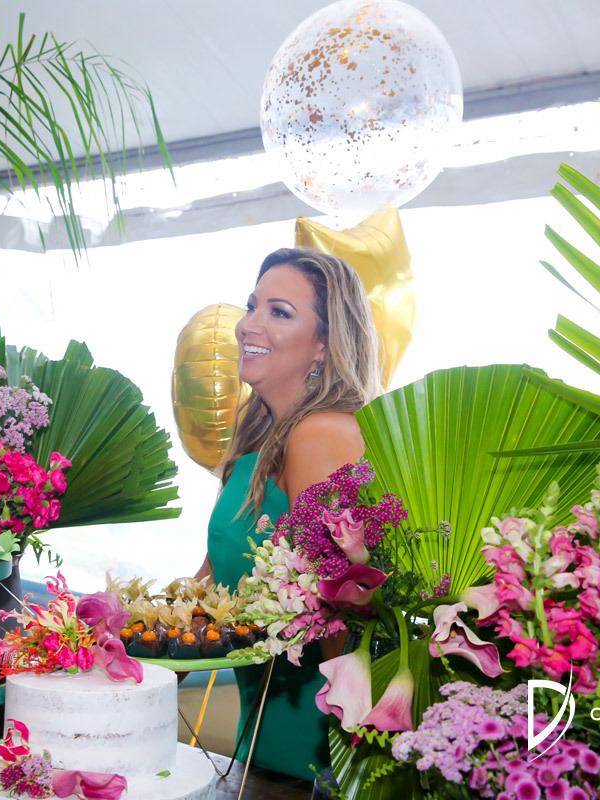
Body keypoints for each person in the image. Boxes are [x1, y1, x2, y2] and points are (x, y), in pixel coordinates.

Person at [195, 247, 382, 782]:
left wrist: (363, 759)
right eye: (252, 305)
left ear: (324, 343)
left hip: (322, 745)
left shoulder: (321, 434)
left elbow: (347, 608)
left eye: (279, 312)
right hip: (262, 740)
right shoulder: (255, 440)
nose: (248, 325)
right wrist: (125, 631)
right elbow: (207, 587)